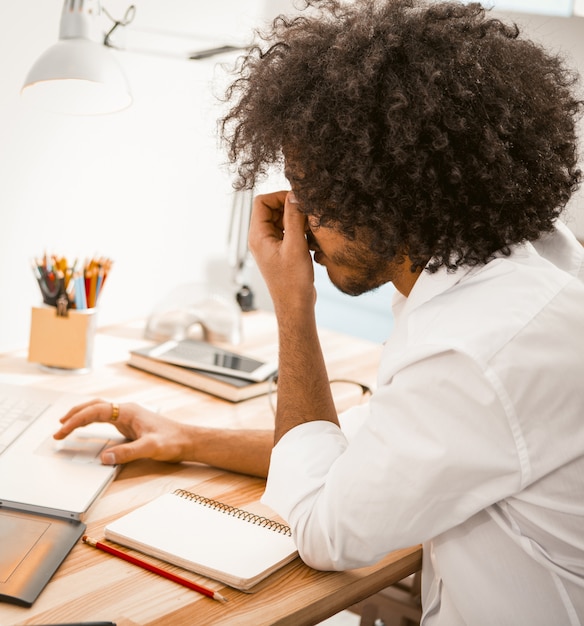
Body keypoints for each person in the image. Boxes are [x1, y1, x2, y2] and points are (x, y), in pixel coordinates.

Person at [54, 0, 584, 623]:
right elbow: (369, 454)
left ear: (389, 193)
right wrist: (187, 437)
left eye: (313, 189)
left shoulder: (478, 349)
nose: (299, 220)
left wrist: (293, 307)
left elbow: (327, 530)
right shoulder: (516, 273)